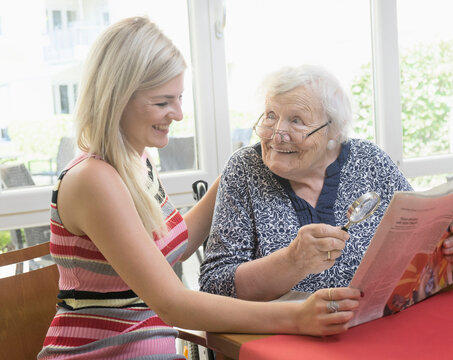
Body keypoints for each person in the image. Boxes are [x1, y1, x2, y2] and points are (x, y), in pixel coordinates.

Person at [38, 18, 362, 359]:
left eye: (179, 98)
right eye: (162, 102)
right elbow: (173, 304)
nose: (177, 114)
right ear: (116, 99)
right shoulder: (94, 179)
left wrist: (238, 176)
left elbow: (166, 246)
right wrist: (297, 316)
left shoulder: (137, 161)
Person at [199, 64, 453, 301]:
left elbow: (421, 250)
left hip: (378, 330)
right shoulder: (244, 169)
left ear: (333, 131)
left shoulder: (369, 160)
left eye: (296, 120)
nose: (277, 134)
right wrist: (291, 262)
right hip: (284, 341)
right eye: (271, 116)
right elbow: (213, 286)